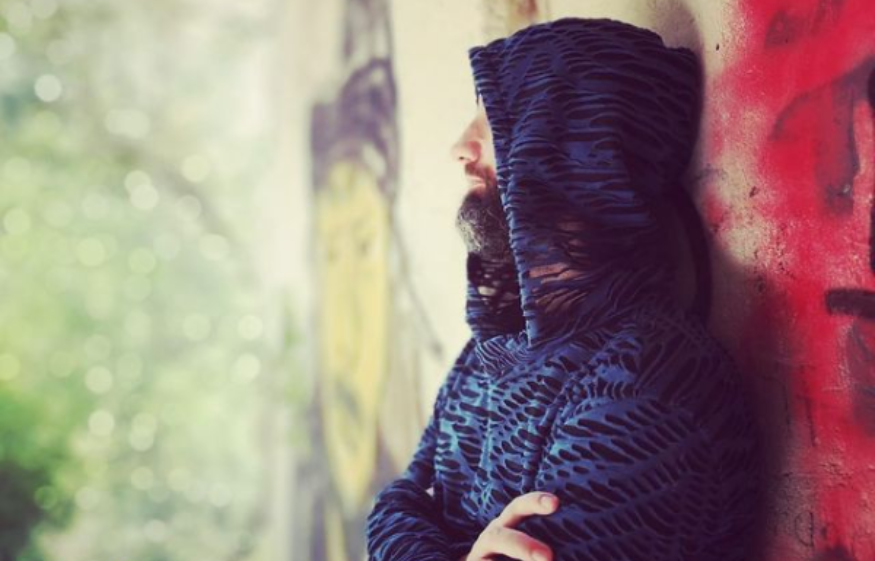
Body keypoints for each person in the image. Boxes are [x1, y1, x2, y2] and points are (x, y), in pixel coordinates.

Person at [366, 17, 761, 561]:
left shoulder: (647, 385)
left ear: (577, 147)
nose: (461, 147)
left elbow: (404, 517)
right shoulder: (485, 357)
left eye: (496, 119)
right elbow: (393, 505)